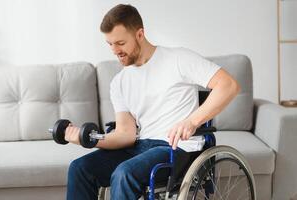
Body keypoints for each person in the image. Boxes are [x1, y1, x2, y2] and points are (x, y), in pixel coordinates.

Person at [65, 4, 240, 200]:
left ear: (140, 34)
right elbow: (126, 135)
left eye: (120, 43)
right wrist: (88, 139)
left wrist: (191, 121)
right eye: (110, 44)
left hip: (174, 148)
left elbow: (229, 85)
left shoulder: (178, 58)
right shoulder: (120, 82)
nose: (115, 51)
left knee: (124, 173)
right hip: (139, 147)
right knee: (79, 169)